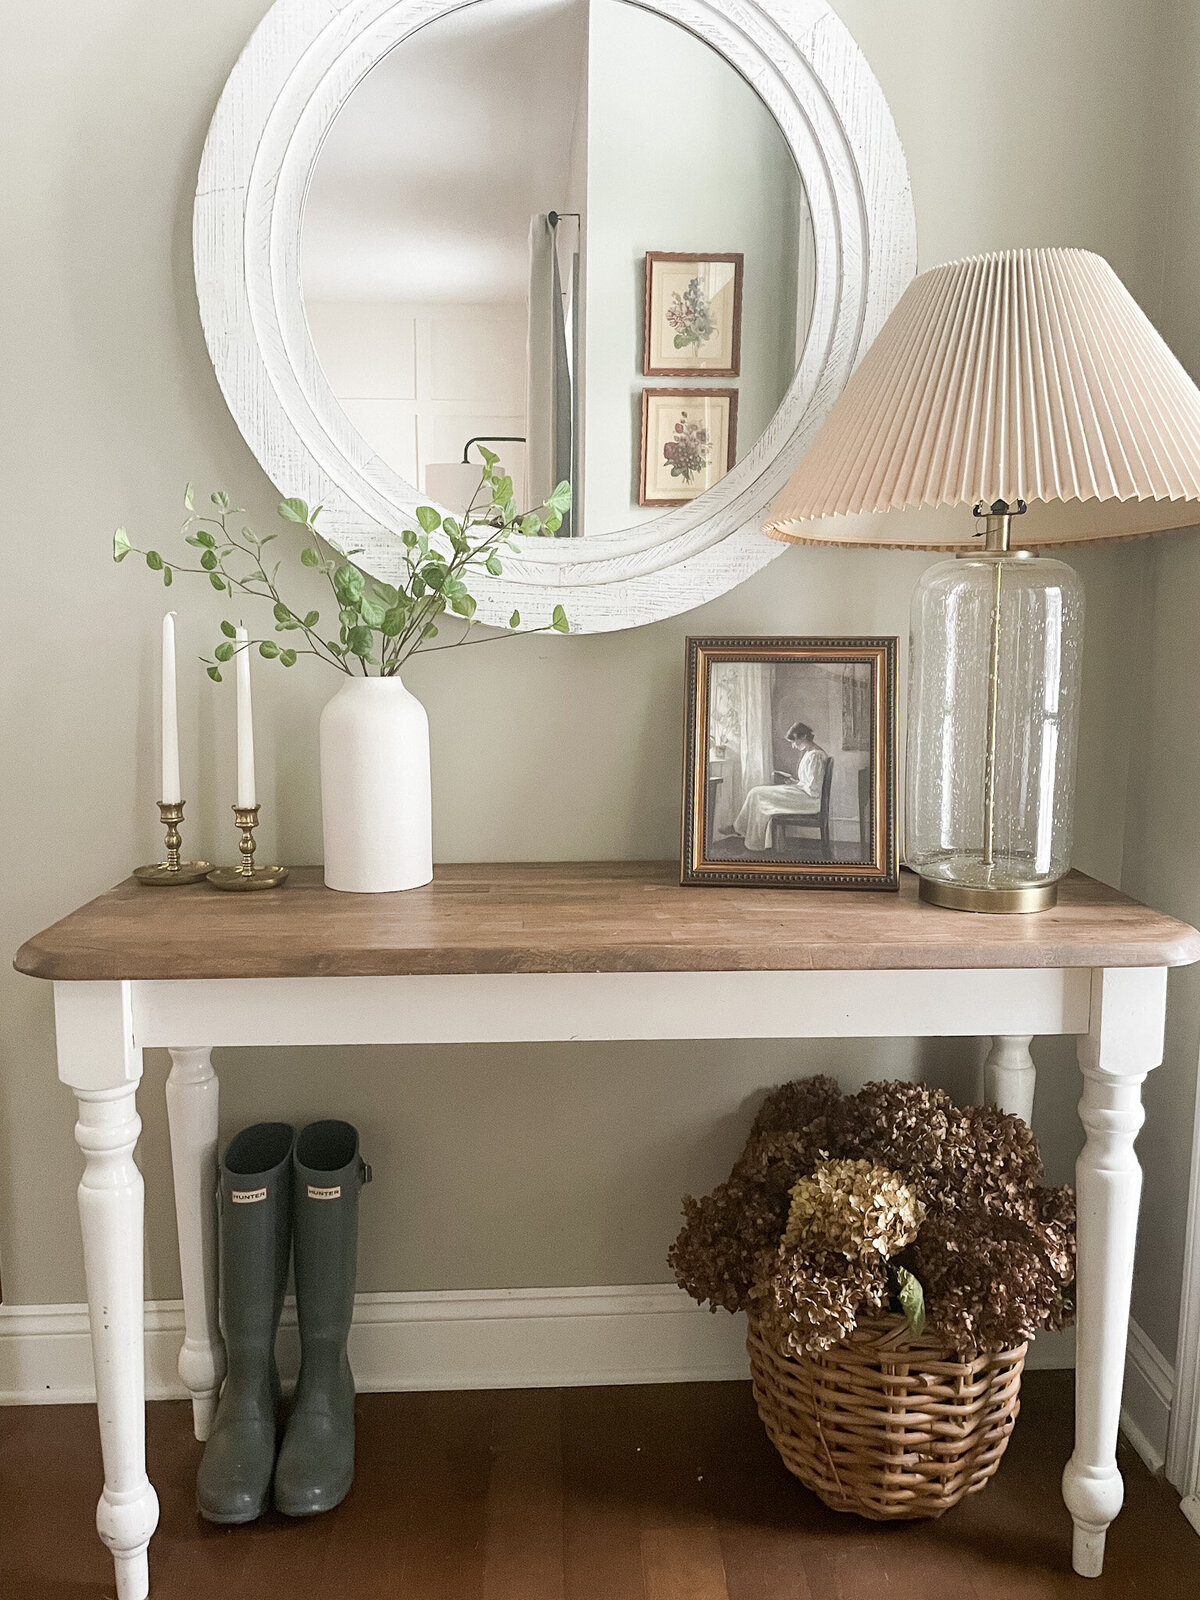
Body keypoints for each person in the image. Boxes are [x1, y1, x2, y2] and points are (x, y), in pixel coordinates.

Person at [734, 721, 828, 852]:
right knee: (756, 792)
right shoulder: (810, 753)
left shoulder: (816, 756)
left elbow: (815, 790)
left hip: (810, 801)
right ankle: (742, 830)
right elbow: (809, 782)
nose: (794, 746)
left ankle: (740, 830)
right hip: (805, 794)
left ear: (804, 737)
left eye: (794, 741)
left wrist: (796, 786)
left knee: (757, 793)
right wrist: (794, 782)